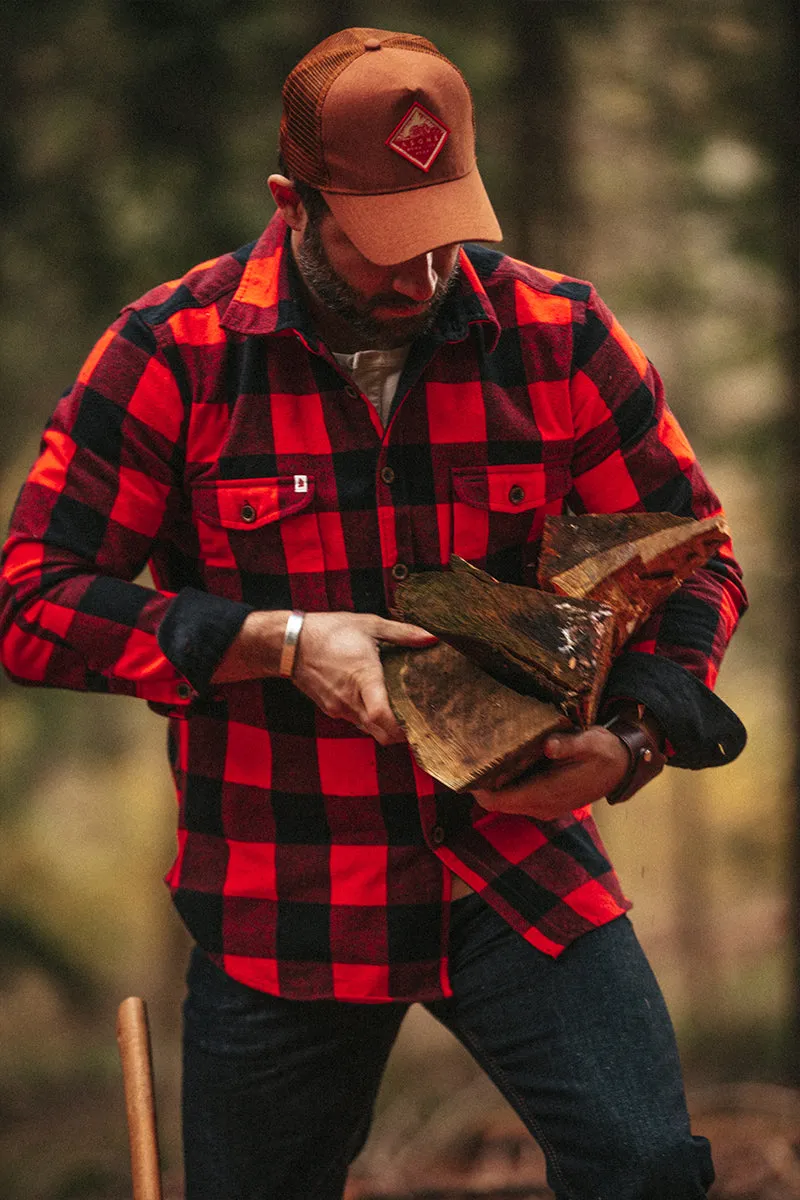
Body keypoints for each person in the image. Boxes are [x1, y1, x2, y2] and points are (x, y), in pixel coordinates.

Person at [0, 27, 747, 1200]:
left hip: (515, 866)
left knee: (647, 1168)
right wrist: (274, 642)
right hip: (277, 889)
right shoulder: (171, 357)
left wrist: (633, 741)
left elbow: (691, 562)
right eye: (382, 245)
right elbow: (32, 605)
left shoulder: (555, 335)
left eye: (444, 232)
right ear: (291, 199)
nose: (422, 276)